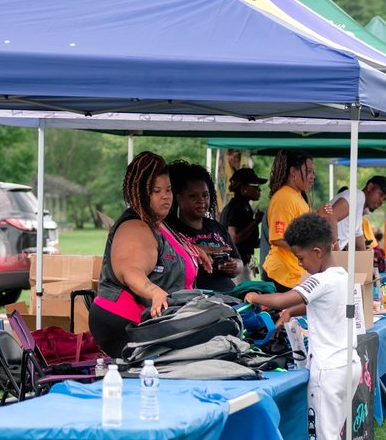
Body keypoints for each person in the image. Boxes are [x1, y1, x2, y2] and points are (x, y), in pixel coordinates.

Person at [244, 213, 360, 440]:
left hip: (328, 368)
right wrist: (290, 313)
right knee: (335, 434)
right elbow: (310, 304)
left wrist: (256, 296)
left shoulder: (318, 279)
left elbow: (284, 299)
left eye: (301, 257)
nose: (300, 264)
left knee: (326, 439)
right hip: (349, 362)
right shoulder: (342, 276)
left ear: (317, 252)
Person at [89, 152, 202, 359]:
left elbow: (167, 250)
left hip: (146, 321)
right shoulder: (135, 226)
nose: (165, 196)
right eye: (156, 191)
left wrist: (197, 252)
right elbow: (131, 271)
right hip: (124, 322)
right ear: (140, 193)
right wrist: (155, 292)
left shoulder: (155, 220)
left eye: (168, 189)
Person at [164, 161, 243, 292]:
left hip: (229, 295)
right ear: (179, 198)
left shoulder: (216, 227)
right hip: (197, 298)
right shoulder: (171, 229)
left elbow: (239, 261)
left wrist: (234, 266)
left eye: (205, 195)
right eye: (193, 196)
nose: (201, 200)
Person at [263, 150, 317, 292]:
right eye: (309, 171)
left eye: (313, 172)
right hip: (282, 275)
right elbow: (278, 238)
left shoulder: (297, 196)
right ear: (293, 171)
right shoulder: (284, 198)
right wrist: (306, 252)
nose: (312, 177)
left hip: (295, 274)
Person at [220, 167, 266, 276]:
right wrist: (255, 221)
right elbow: (234, 238)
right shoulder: (238, 208)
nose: (259, 190)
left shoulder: (243, 206)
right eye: (256, 186)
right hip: (235, 264)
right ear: (244, 188)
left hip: (240, 261)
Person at [328, 175, 386, 250]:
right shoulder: (358, 196)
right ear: (370, 187)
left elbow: (358, 237)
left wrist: (365, 257)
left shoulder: (358, 208)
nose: (381, 201)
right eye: (380, 194)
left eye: (384, 199)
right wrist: (336, 250)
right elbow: (330, 216)